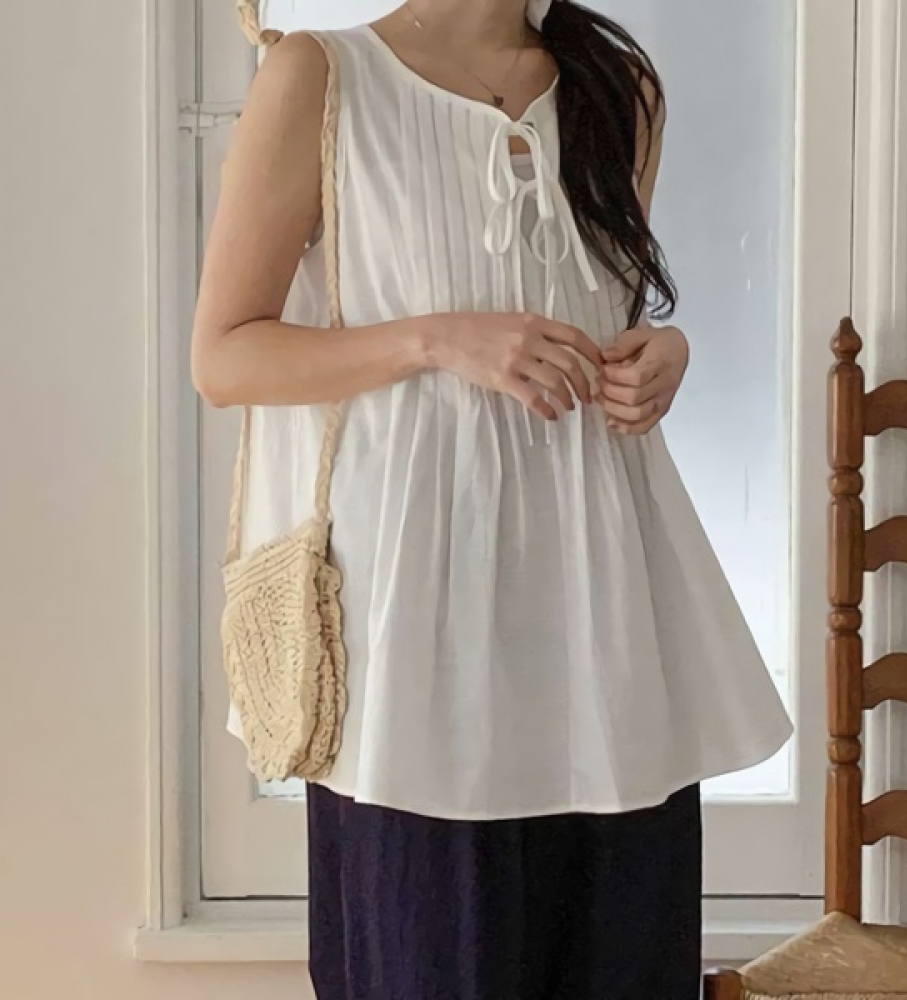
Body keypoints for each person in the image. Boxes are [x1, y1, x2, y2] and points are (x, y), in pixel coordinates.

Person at [192, 1, 793, 997]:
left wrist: (663, 353)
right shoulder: (320, 77)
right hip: (416, 639)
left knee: (622, 961)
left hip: (605, 616)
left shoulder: (617, 86)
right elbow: (224, 355)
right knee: (431, 959)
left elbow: (602, 314)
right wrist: (435, 339)